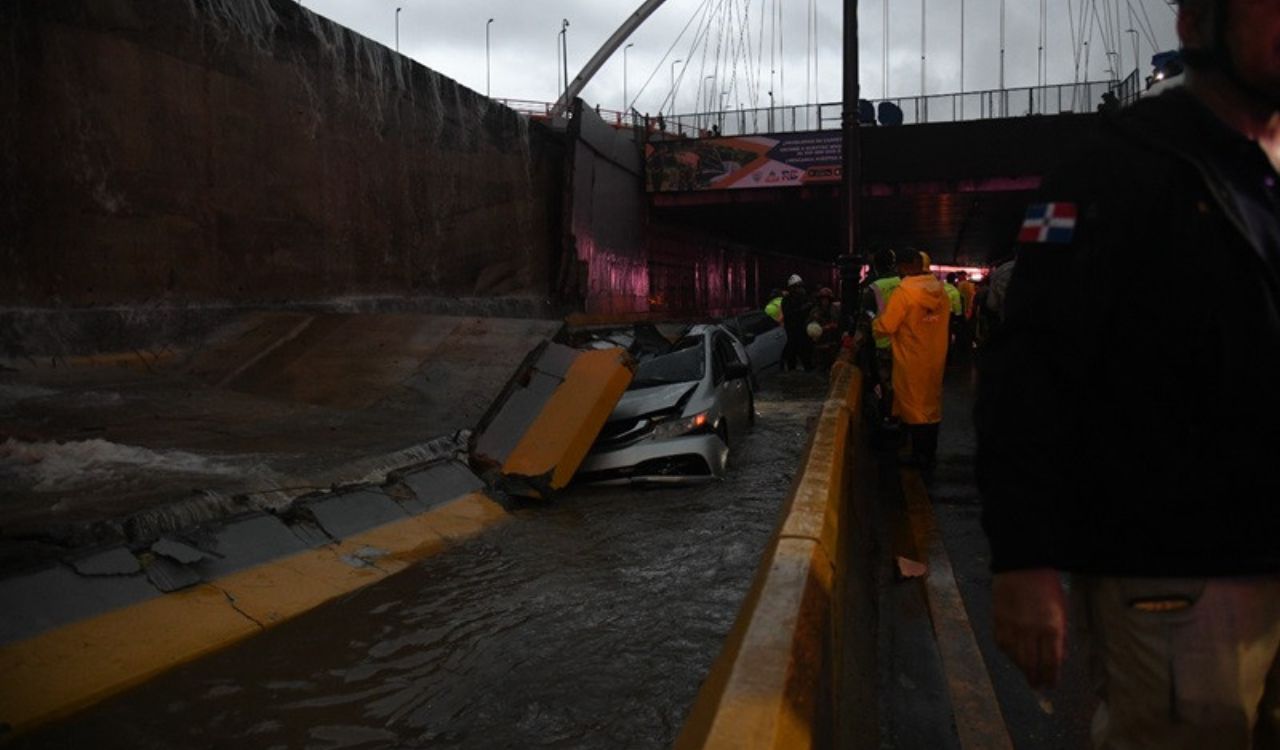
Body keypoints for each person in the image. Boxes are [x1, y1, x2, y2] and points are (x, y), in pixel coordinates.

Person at [976, 1, 1280, 747]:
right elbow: (1029, 371)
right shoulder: (1110, 171)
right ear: (1197, 24)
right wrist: (1025, 557)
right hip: (1177, 578)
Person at [873, 251, 950, 470]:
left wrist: (874, 325)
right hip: (935, 357)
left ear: (905, 266)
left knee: (914, 407)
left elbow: (887, 325)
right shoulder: (940, 290)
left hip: (911, 358)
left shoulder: (904, 292)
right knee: (931, 405)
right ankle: (929, 452)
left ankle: (919, 455)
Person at [856, 249, 902, 422]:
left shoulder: (873, 288)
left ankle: (889, 417)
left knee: (886, 382)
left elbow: (866, 318)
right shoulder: (904, 283)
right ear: (894, 264)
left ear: (875, 266)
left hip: (883, 343)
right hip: (905, 342)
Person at [780, 275, 813, 371]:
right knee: (792, 354)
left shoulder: (804, 298)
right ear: (792, 288)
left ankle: (808, 369)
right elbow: (789, 314)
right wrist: (802, 309)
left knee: (806, 353)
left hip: (803, 330)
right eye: (797, 287)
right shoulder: (786, 300)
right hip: (792, 331)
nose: (800, 289)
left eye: (800, 286)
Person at [808, 287, 841, 371]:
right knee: (820, 367)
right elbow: (811, 326)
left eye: (826, 299)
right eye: (822, 299)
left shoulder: (835, 309)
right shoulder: (815, 312)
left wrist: (835, 326)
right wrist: (823, 328)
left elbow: (841, 323)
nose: (824, 301)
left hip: (833, 342)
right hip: (820, 343)